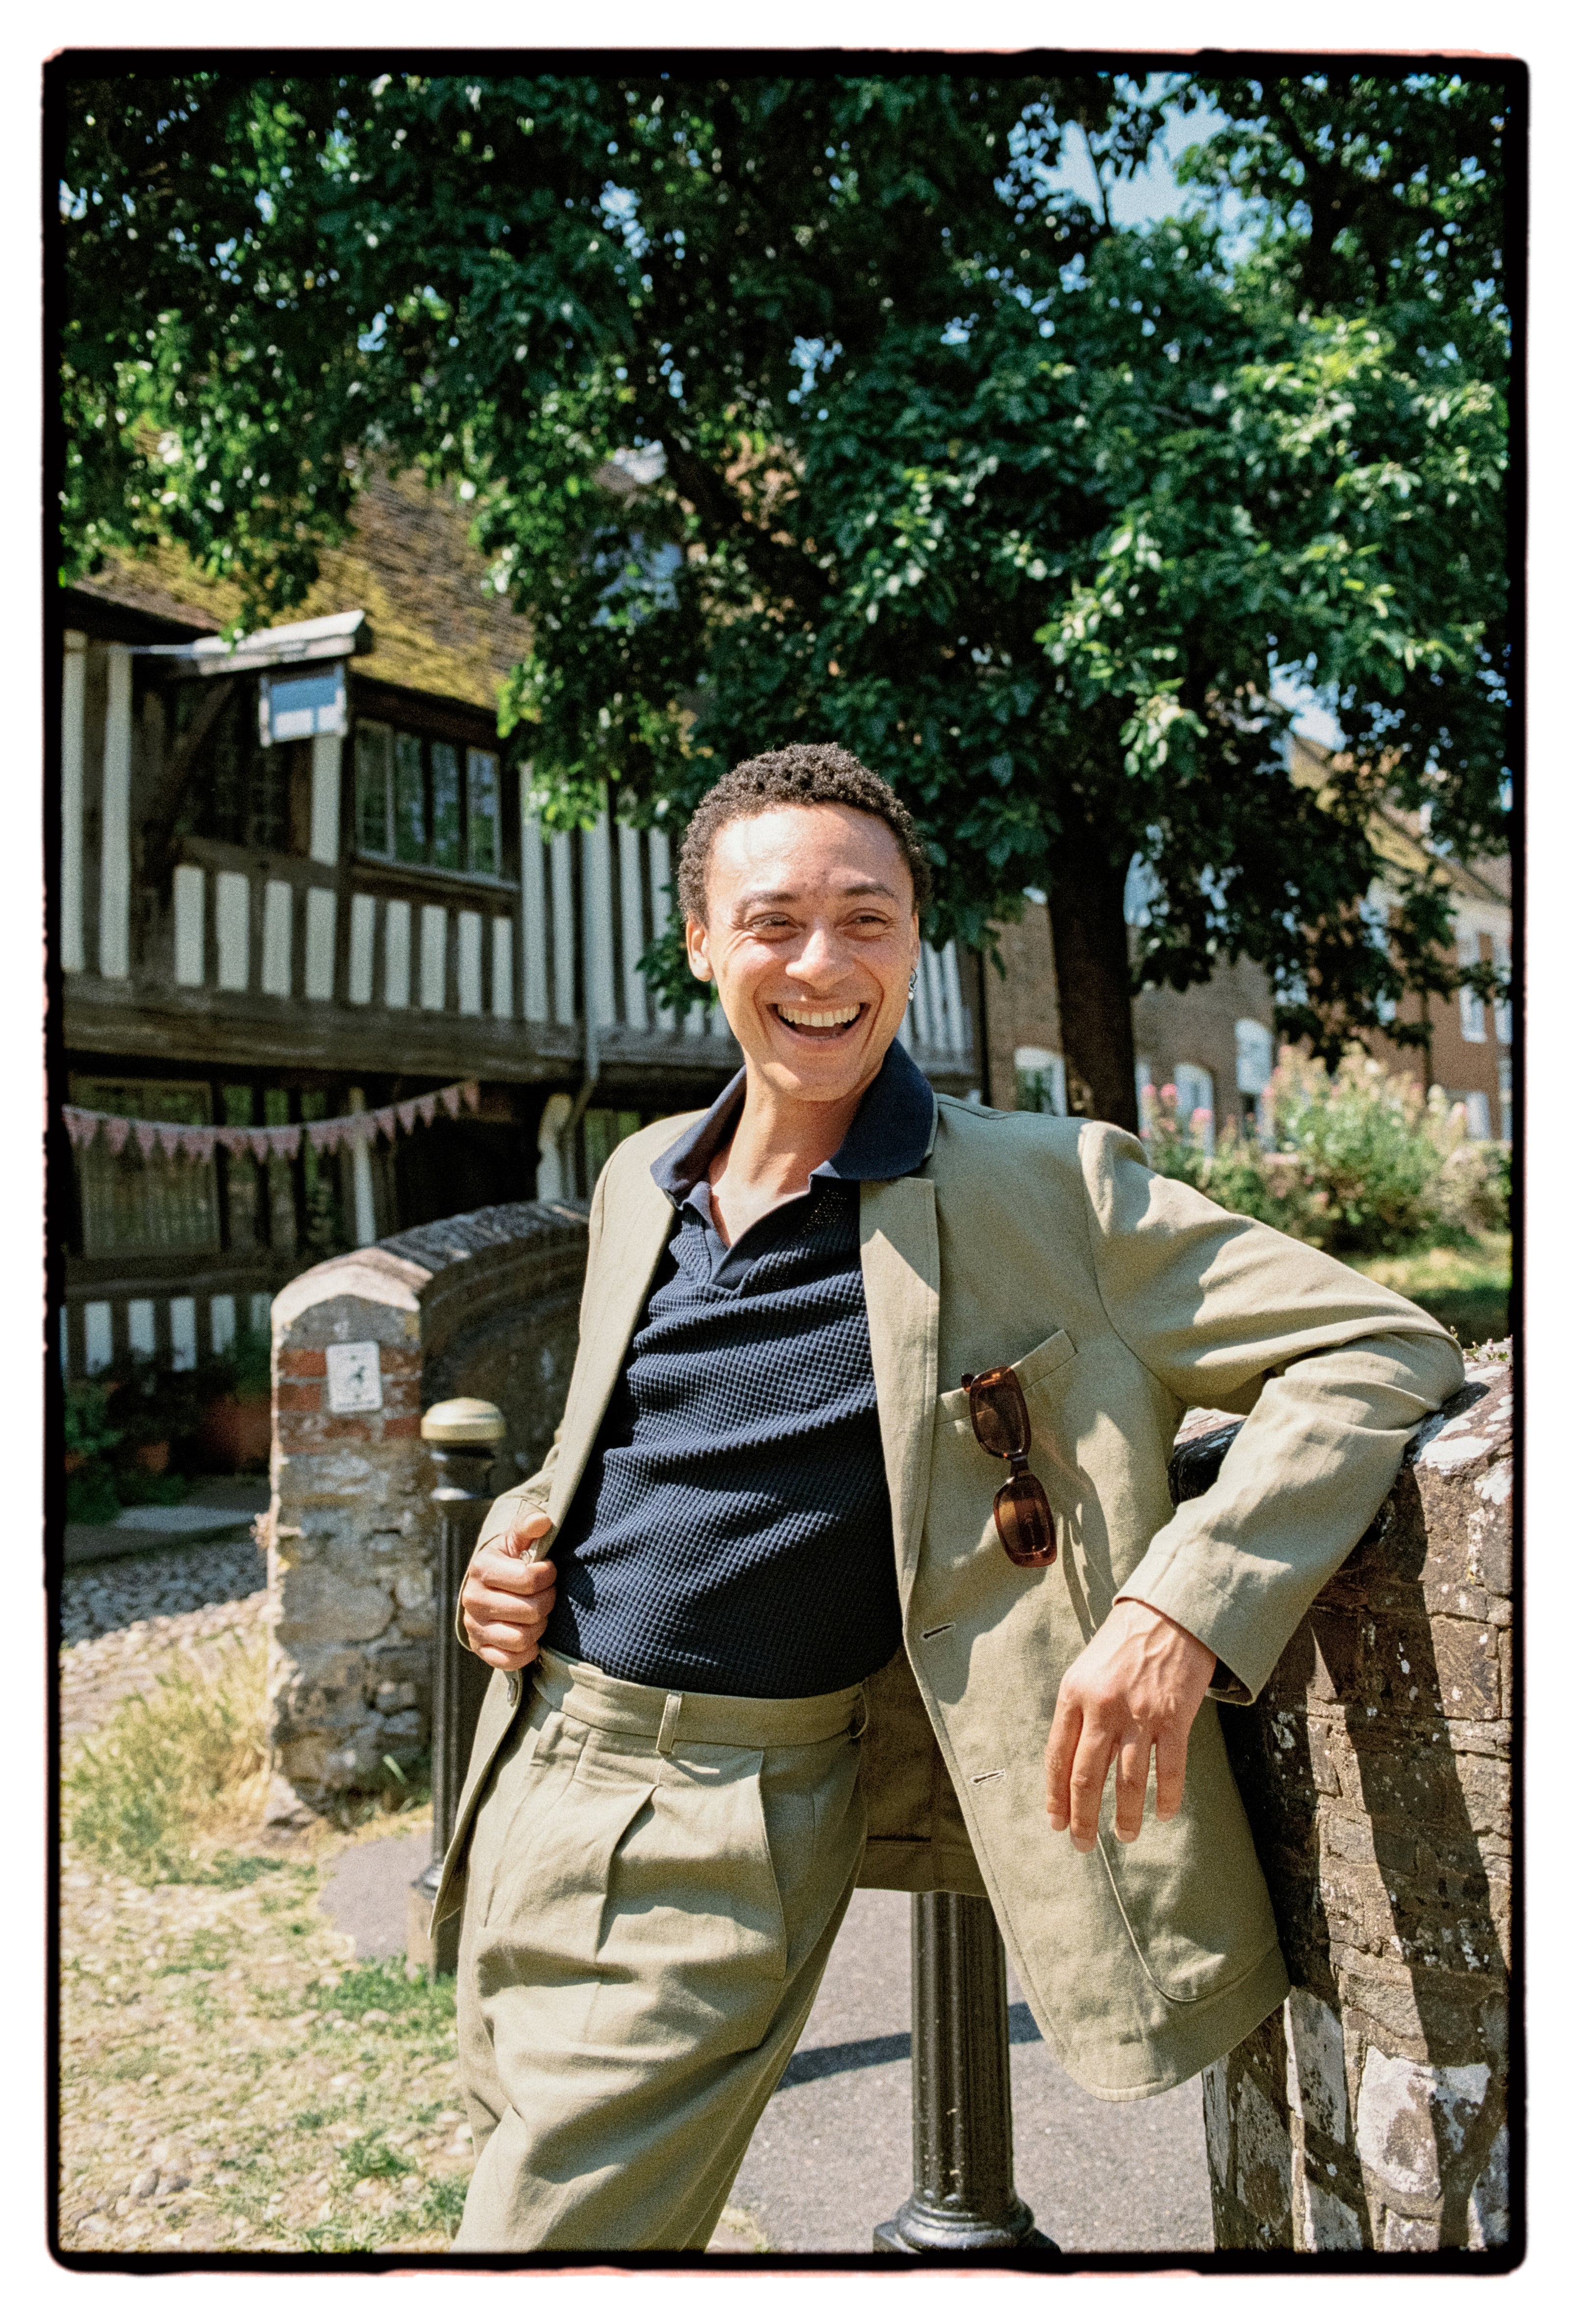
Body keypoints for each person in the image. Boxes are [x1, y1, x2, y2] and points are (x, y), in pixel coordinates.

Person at [431, 743, 1463, 2252]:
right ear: (703, 943)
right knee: (508, 2171)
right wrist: (517, 1536)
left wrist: (1186, 1603)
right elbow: (616, 1432)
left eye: (867, 919)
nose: (823, 964)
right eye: (775, 922)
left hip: (720, 1816)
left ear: (917, 937)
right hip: (533, 1764)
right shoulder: (644, 1173)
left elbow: (1381, 1344)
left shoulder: (1050, 1187)